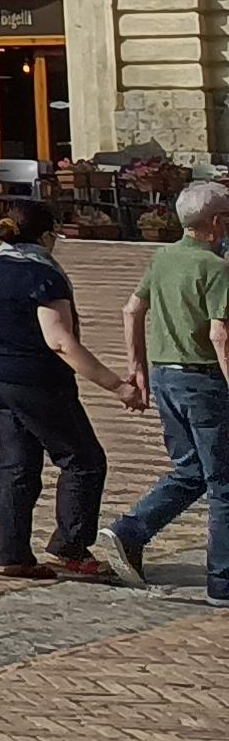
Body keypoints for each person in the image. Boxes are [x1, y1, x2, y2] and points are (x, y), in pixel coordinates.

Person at [0, 194, 135, 582]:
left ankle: (13, 553)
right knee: (83, 461)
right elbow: (59, 339)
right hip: (37, 382)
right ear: (45, 236)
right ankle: (71, 547)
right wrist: (116, 385)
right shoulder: (42, 275)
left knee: (18, 467)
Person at [103, 176, 229, 601]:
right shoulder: (215, 267)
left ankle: (130, 530)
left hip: (164, 375)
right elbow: (220, 335)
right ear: (216, 222)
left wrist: (136, 367)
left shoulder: (163, 257)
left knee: (190, 469)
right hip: (204, 379)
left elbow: (131, 310)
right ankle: (223, 581)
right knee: (223, 482)